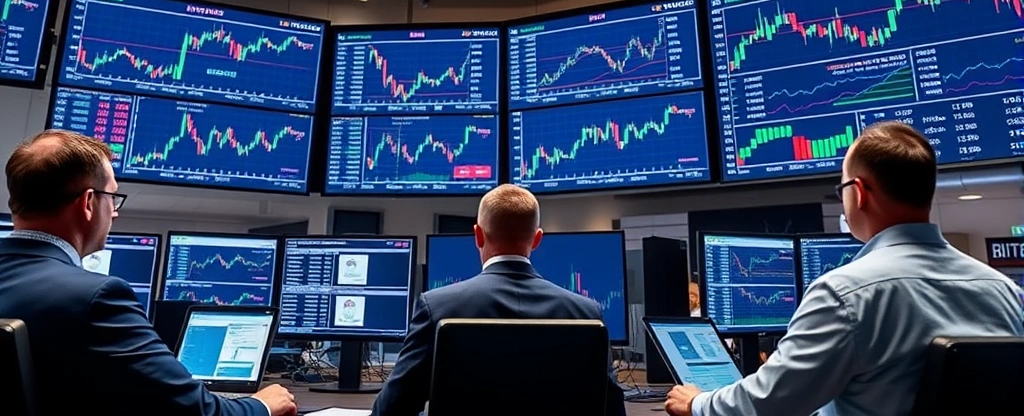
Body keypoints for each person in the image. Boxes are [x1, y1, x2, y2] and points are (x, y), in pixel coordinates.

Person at [665, 121, 1024, 416]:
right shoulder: (1006, 292)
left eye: (842, 189)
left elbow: (768, 403)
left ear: (859, 192)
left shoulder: (845, 294)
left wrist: (698, 403)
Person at [0, 130, 298, 416]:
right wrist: (263, 404)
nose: (115, 212)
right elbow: (198, 411)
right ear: (89, 202)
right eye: (112, 197)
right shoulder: (95, 298)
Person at [371, 183, 625, 416]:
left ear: (478, 235)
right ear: (537, 239)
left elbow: (390, 410)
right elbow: (613, 411)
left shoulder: (436, 307)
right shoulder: (586, 313)